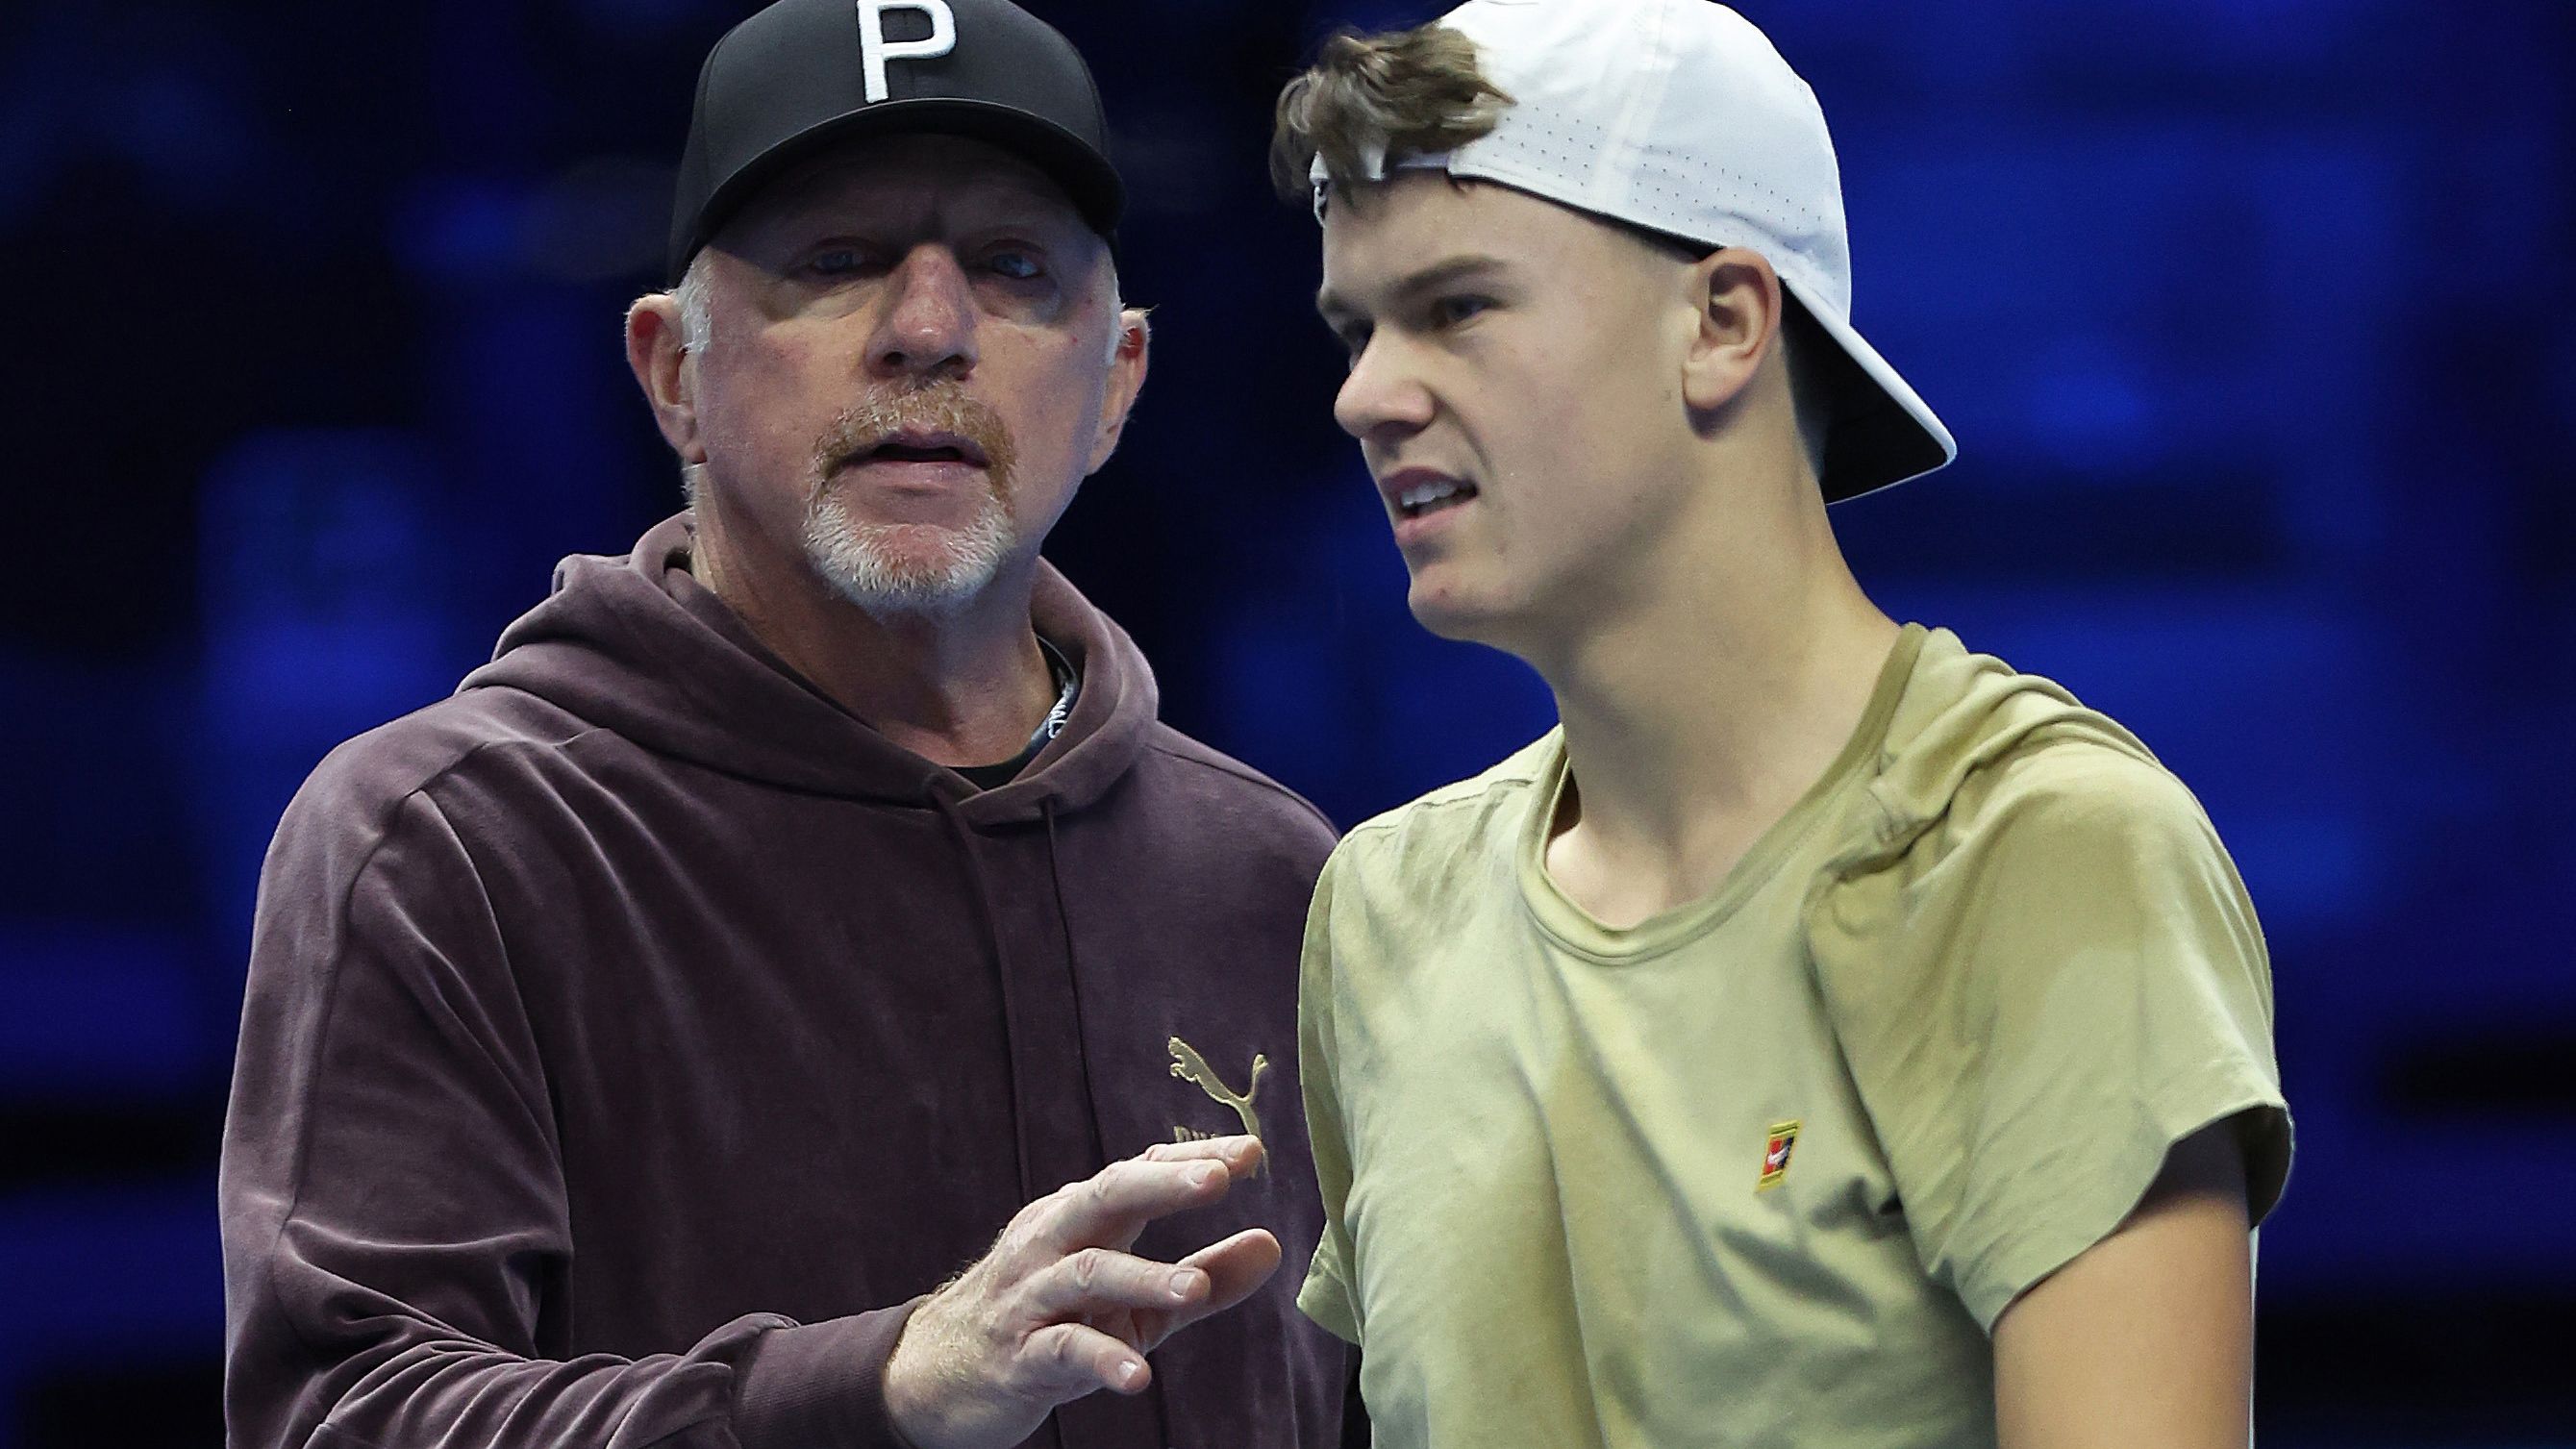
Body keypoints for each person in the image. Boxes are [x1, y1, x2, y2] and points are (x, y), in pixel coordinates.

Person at [217, 1, 1356, 1446]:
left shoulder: (1276, 877)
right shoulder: (450, 847)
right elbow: (346, 1417)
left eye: (1011, 268)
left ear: (1117, 383)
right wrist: (882, 1387)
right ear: (673, 376)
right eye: (837, 261)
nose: (930, 332)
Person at [1269, 2, 2293, 1445]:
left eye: (1456, 308)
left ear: (1725, 322)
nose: (1365, 393)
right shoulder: (1385, 908)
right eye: (1356, 326)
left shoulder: (2036, 858)